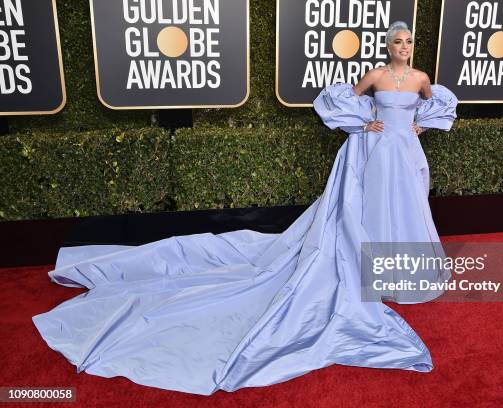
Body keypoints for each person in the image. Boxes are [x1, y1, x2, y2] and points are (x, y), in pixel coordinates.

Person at [32, 21, 458, 396]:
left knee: (405, 211)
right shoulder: (375, 76)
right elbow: (338, 99)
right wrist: (365, 123)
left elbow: (436, 102)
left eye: (408, 41)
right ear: (388, 46)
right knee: (367, 213)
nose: (404, 46)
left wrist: (420, 123)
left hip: (406, 154)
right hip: (375, 152)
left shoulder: (421, 78)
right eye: (397, 42)